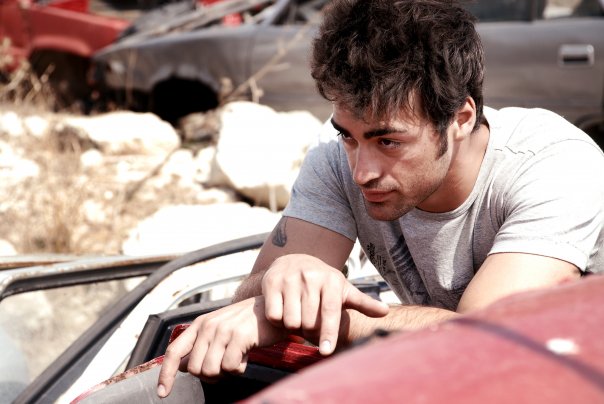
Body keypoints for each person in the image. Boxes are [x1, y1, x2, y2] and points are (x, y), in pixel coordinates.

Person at [157, 0, 604, 397]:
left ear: (461, 118)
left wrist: (323, 315)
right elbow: (251, 295)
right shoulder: (336, 156)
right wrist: (286, 274)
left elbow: (489, 340)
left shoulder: (556, 163)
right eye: (349, 136)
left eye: (388, 141)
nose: (362, 171)